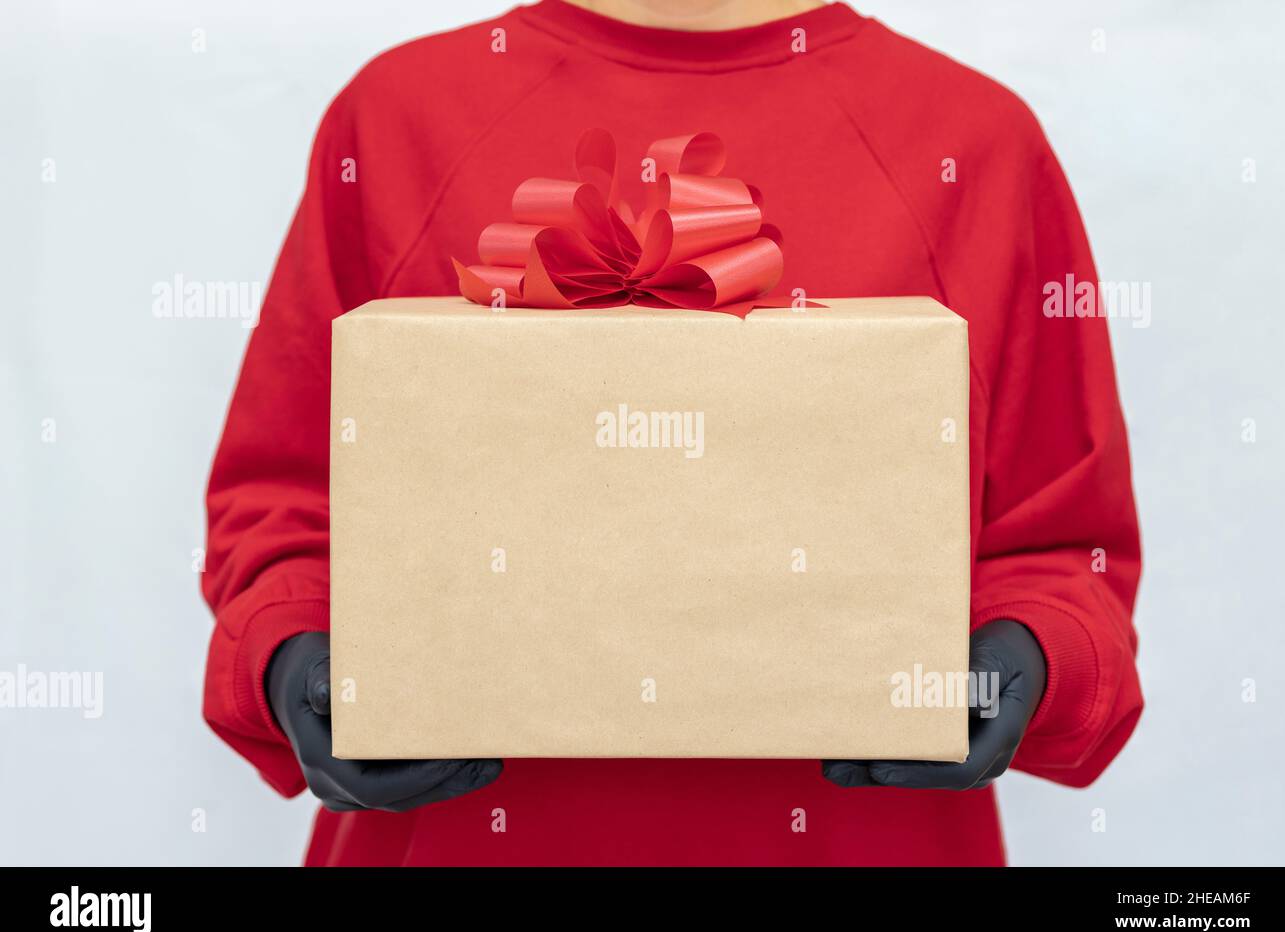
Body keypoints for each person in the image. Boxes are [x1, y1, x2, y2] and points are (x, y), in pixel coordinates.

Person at [202, 0, 1143, 865]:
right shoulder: (396, 115)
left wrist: (1027, 651)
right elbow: (284, 502)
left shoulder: (976, 140)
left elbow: (1065, 545)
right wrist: (295, 654)